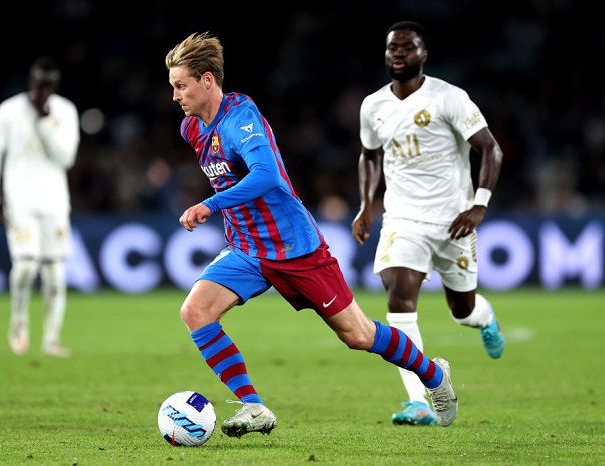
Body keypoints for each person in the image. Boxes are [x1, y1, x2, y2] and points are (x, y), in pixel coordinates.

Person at [165, 31, 458, 439]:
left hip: (293, 246)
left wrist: (209, 205)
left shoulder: (240, 119)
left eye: (181, 85)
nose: (176, 95)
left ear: (208, 80)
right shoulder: (192, 129)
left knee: (358, 335)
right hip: (248, 247)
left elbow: (266, 176)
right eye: (173, 87)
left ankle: (432, 374)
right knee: (195, 312)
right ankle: (254, 407)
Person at [351, 20, 505, 426]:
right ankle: (421, 399)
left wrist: (479, 205)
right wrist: (367, 204)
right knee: (397, 295)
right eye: (391, 48)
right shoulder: (373, 105)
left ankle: (485, 319)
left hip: (454, 221)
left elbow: (491, 149)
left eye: (407, 47)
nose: (398, 53)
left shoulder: (449, 98)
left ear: (423, 54)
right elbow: (369, 156)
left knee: (463, 311)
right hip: (403, 218)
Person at [0, 56, 80, 358]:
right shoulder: (9, 111)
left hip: (54, 202)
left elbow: (66, 159)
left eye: (49, 86)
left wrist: (44, 122)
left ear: (55, 86)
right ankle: (19, 321)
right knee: (25, 266)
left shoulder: (64, 111)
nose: (43, 92)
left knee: (54, 274)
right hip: (19, 200)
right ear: (31, 83)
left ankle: (51, 339)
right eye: (39, 85)